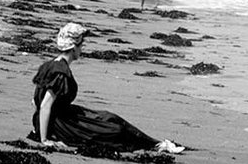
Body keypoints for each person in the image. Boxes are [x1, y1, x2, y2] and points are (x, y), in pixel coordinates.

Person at [31, 23, 183, 155]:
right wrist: (45, 139)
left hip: (62, 116)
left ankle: (156, 144)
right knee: (114, 130)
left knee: (110, 117)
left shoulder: (50, 65)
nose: (82, 49)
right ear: (73, 48)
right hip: (60, 124)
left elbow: (35, 99)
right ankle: (156, 146)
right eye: (81, 45)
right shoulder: (60, 72)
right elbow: (45, 105)